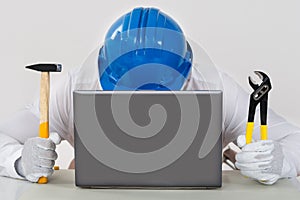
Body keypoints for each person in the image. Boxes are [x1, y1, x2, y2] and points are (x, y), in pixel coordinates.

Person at [0, 7, 299, 185]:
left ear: (186, 74)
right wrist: (19, 162)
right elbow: (4, 135)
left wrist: (281, 162)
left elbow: (294, 139)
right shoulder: (74, 86)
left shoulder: (214, 85)